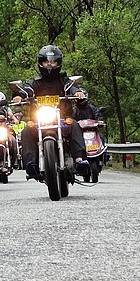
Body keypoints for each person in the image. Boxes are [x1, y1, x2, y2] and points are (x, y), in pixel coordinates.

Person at [11, 44, 90, 179]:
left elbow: (71, 87)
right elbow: (28, 90)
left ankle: (79, 159)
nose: (49, 64)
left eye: (53, 62)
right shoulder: (35, 82)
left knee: (74, 124)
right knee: (26, 130)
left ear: (58, 63)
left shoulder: (64, 80)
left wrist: (77, 92)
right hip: (39, 121)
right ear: (41, 62)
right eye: (46, 61)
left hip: (62, 119)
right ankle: (30, 163)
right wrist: (20, 95)